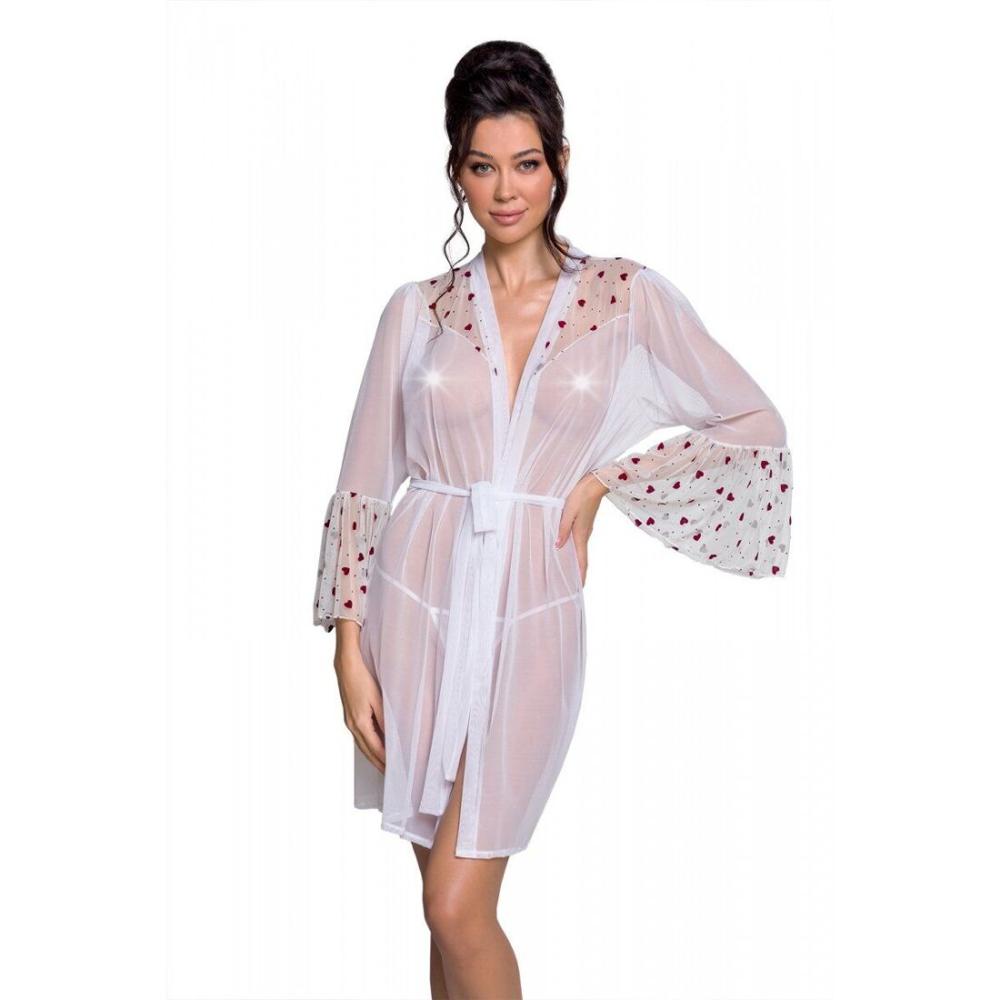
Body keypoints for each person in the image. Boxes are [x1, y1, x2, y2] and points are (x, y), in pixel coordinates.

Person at [313, 40, 793, 1000]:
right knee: (443, 917)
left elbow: (754, 424)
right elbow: (363, 480)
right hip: (415, 607)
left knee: (457, 904)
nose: (505, 191)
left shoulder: (623, 298)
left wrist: (608, 480)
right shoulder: (417, 311)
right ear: (456, 170)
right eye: (482, 166)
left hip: (531, 615)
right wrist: (347, 649)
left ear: (561, 161)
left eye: (526, 163)